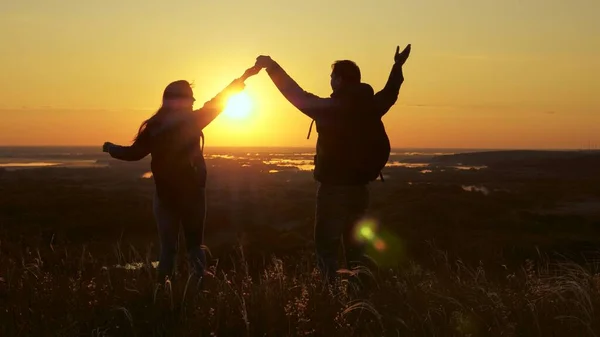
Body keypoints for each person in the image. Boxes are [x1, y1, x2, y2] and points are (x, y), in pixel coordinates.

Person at [254, 45, 411, 285]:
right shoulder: (371, 106)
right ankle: (359, 297)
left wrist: (272, 67)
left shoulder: (330, 109)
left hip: (333, 189)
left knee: (327, 249)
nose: (329, 81)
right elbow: (391, 92)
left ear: (339, 80)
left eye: (331, 77)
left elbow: (294, 93)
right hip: (361, 189)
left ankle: (331, 300)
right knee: (356, 250)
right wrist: (397, 66)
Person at [102, 66, 260, 282]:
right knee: (194, 246)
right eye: (191, 99)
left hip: (165, 195)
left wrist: (110, 148)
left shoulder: (155, 127)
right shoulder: (193, 122)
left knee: (168, 250)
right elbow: (220, 101)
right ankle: (198, 291)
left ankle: (162, 293)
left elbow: (133, 154)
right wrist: (244, 78)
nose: (194, 102)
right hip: (192, 193)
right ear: (181, 101)